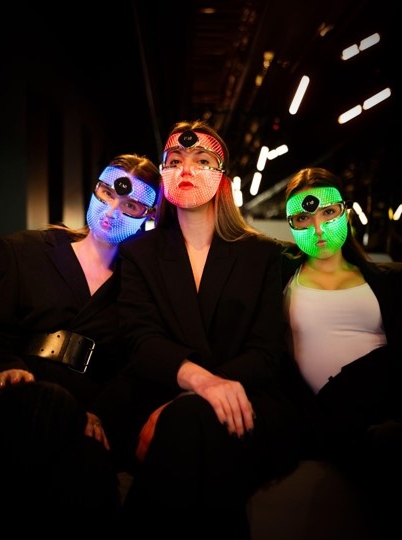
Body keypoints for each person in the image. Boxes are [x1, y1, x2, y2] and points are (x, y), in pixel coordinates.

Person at [116, 120, 301, 539]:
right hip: (165, 395)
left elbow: (265, 352)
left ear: (222, 180)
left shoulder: (261, 254)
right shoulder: (139, 254)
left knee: (187, 421)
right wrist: (200, 383)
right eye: (175, 160)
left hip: (249, 399)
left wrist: (196, 394)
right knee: (191, 426)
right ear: (163, 175)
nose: (186, 169)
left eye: (201, 160)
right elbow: (142, 342)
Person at [0, 153, 161, 529]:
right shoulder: (25, 252)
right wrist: (5, 365)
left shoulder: (138, 288)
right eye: (107, 193)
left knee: (85, 473)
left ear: (147, 215)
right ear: (95, 188)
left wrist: (100, 413)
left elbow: (136, 364)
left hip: (88, 417)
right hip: (20, 398)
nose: (111, 211)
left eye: (130, 205)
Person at [281, 167, 402, 539]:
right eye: (304, 218)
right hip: (331, 408)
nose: (318, 229)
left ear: (344, 212)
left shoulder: (384, 280)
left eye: (328, 213)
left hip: (386, 394)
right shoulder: (280, 278)